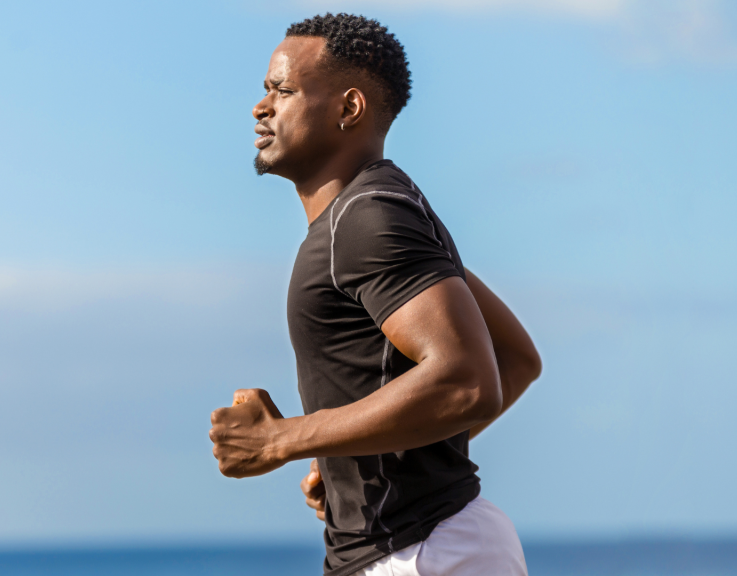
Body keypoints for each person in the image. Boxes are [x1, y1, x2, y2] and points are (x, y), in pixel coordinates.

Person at [208, 13, 542, 576]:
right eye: (265, 90)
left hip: (422, 552)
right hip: (415, 549)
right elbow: (514, 359)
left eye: (283, 90)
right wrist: (359, 449)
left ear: (349, 109)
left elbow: (468, 381)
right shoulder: (377, 210)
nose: (261, 108)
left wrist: (283, 439)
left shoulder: (369, 219)